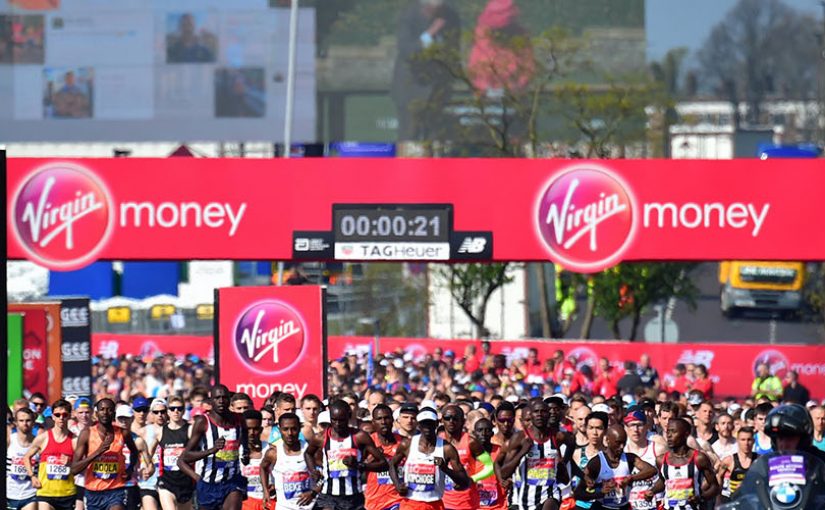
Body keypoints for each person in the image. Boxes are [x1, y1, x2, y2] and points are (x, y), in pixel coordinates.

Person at [390, 0, 461, 142]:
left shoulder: (450, 16)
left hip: (438, 88)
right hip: (412, 88)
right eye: (432, 9)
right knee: (409, 136)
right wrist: (430, 33)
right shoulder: (408, 16)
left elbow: (454, 48)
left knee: (436, 137)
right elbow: (407, 50)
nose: (435, 13)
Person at [304, 399, 388, 510]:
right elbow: (308, 454)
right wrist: (313, 470)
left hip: (353, 497)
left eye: (341, 420)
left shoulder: (359, 436)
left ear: (349, 416)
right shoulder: (321, 437)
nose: (337, 424)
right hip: (328, 496)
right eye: (334, 420)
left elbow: (384, 464)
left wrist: (359, 465)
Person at [179, 384, 249, 510]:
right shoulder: (202, 422)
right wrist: (212, 451)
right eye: (217, 398)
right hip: (208, 484)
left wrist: (246, 451)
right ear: (211, 401)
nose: (221, 401)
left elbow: (244, 435)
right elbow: (184, 458)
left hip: (232, 481)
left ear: (229, 400)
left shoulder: (239, 419)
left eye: (224, 397)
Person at [497, 398, 574, 510]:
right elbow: (504, 473)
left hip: (550, 493)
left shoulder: (557, 436)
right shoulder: (520, 438)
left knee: (551, 503)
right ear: (531, 415)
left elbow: (571, 442)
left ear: (548, 414)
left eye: (543, 411)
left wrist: (563, 462)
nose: (539, 415)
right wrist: (522, 452)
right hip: (525, 497)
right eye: (536, 412)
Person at [389, 408, 471, 510]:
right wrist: (398, 485)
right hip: (410, 503)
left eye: (430, 423)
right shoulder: (408, 444)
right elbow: (392, 465)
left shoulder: (446, 449)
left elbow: (464, 482)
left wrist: (446, 469)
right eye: (424, 423)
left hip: (434, 504)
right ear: (418, 424)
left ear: (436, 424)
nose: (427, 427)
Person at [71, 398, 140, 510]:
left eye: (109, 410)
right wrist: (98, 452)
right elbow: (74, 469)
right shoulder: (86, 433)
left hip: (116, 490)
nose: (105, 412)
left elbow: (134, 451)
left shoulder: (123, 432)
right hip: (93, 492)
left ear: (114, 414)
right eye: (102, 409)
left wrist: (130, 468)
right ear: (96, 413)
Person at [576, 425, 658, 509]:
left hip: (623, 507)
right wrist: (600, 493)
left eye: (624, 443)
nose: (622, 447)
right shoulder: (596, 463)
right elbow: (578, 493)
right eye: (618, 443)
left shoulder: (630, 458)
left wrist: (631, 478)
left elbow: (652, 470)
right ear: (607, 440)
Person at [24, 399, 78, 510]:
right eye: (57, 415)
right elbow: (27, 457)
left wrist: (70, 463)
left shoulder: (74, 440)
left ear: (69, 416)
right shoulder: (43, 438)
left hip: (67, 493)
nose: (61, 418)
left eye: (64, 414)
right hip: (45, 493)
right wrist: (32, 476)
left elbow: (82, 466)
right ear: (53, 416)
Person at [658, 419, 719, 509]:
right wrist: (651, 491)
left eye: (673, 431)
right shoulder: (661, 460)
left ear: (686, 434)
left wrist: (701, 497)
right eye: (667, 432)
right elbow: (663, 481)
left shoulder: (699, 458)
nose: (669, 436)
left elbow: (715, 486)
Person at [261, 412, 315, 510]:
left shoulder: (310, 450)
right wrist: (265, 491)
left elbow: (325, 474)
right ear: (279, 430)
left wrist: (314, 492)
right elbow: (263, 467)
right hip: (284, 507)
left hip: (309, 507)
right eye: (285, 429)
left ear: (299, 429)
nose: (290, 433)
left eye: (294, 429)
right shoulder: (273, 453)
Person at [622, 410, 665, 510]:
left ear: (646, 426)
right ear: (626, 428)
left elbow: (667, 477)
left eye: (639, 425)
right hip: (630, 504)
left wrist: (653, 491)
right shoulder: (622, 450)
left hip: (656, 504)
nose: (635, 430)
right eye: (632, 425)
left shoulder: (658, 448)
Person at [157, 396, 195, 510]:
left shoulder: (190, 429)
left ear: (184, 410)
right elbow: (148, 451)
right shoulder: (160, 431)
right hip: (167, 481)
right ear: (167, 411)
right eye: (172, 408)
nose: (176, 411)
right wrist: (148, 464)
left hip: (185, 481)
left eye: (179, 408)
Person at [364, 404, 404, 510]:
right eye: (379, 419)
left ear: (392, 420)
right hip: (374, 502)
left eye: (386, 418)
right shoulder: (367, 443)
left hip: (398, 501)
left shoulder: (404, 443)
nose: (383, 422)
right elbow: (359, 474)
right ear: (373, 422)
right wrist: (369, 460)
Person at [115, 405, 153, 510]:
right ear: (115, 419)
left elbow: (150, 465)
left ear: (132, 419)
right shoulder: (108, 440)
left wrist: (146, 470)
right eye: (120, 418)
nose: (123, 421)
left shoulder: (138, 441)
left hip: (130, 485)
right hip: (111, 486)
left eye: (126, 418)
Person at [570, 411, 607, 510]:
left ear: (606, 430)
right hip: (581, 505)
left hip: (604, 505)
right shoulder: (576, 454)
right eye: (591, 428)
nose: (595, 433)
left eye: (599, 428)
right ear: (586, 429)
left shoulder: (610, 455)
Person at [472, 418, 507, 510]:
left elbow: (509, 472)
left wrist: (508, 481)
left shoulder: (500, 451)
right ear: (474, 433)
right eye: (480, 430)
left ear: (492, 433)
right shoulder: (467, 453)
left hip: (499, 506)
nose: (483, 433)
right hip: (475, 505)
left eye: (487, 430)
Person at [7, 407, 38, 510]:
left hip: (30, 494)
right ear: (16, 422)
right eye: (21, 420)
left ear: (33, 422)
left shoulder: (38, 443)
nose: (25, 423)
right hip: (9, 493)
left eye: (28, 420)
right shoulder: (9, 440)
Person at [717, 426, 757, 504]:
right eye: (743, 440)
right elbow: (719, 477)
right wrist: (719, 499)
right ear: (737, 441)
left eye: (749, 440)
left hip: (754, 502)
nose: (746, 443)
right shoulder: (729, 461)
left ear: (753, 441)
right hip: (735, 501)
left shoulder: (759, 460)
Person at [240, 410, 268, 510]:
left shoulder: (270, 450)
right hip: (245, 503)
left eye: (255, 429)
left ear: (260, 429)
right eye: (248, 429)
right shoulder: (236, 452)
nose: (251, 433)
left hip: (268, 502)